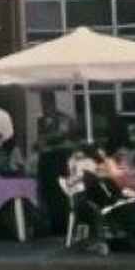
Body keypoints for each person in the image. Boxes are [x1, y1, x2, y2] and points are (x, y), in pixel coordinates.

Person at [34, 94, 77, 237]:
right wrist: (40, 144)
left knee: (59, 195)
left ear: (52, 103)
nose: (44, 107)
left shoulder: (63, 119)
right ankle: (51, 226)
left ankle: (62, 226)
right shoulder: (41, 120)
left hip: (58, 162)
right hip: (45, 162)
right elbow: (40, 140)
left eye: (46, 104)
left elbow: (63, 136)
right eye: (42, 104)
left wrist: (47, 142)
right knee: (46, 195)